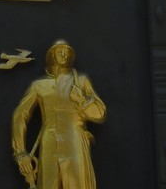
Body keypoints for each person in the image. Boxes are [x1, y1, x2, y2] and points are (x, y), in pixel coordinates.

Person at [11, 40, 106, 189]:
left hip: (74, 143)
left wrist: (82, 100)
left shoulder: (81, 81)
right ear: (52, 55)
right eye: (59, 51)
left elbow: (100, 114)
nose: (63, 54)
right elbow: (20, 114)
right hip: (49, 145)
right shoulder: (39, 86)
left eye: (67, 52)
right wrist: (20, 151)